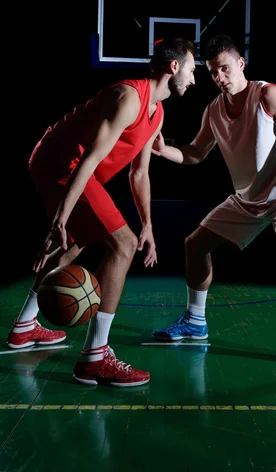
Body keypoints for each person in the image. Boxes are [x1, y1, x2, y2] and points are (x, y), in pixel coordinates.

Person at [151, 34, 276, 381]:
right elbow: (196, 153)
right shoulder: (214, 109)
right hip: (246, 200)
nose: (220, 78)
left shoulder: (267, 95)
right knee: (194, 244)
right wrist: (162, 150)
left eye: (226, 69)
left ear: (241, 64)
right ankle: (196, 321)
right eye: (214, 72)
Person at [7, 37, 196, 387]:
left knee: (78, 243)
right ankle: (95, 358)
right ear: (174, 67)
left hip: (73, 167)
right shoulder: (127, 98)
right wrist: (60, 219)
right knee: (122, 244)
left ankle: (24, 327)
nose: (194, 79)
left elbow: (139, 173)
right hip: (60, 163)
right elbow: (89, 159)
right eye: (192, 70)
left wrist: (149, 225)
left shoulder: (158, 112)